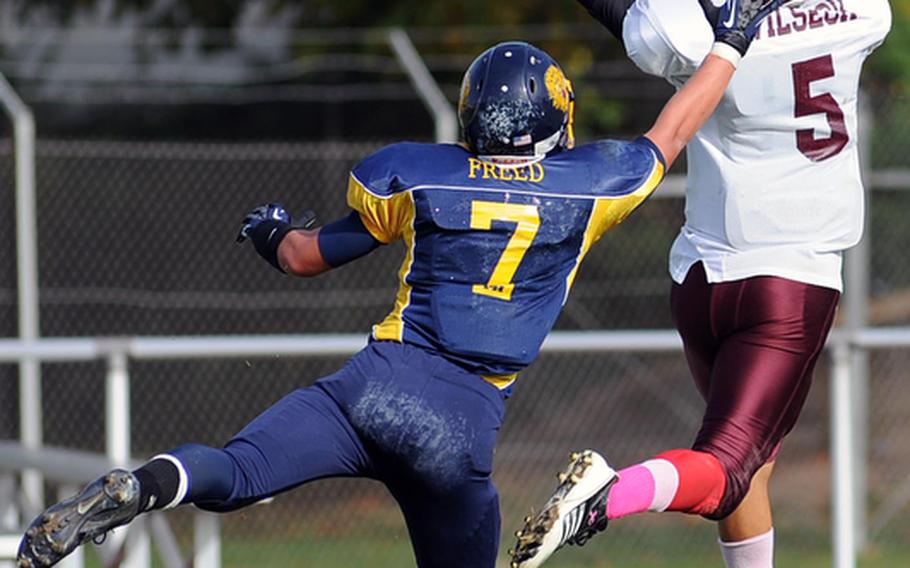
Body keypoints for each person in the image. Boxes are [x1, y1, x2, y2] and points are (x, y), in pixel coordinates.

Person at [17, 3, 772, 564]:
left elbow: (306, 256)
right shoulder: (589, 188)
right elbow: (672, 129)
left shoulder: (422, 176)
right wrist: (732, 42)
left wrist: (267, 228)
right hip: (461, 425)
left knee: (239, 470)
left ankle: (144, 486)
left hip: (370, 388)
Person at [509, 0, 892, 567]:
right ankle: (607, 496)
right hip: (791, 281)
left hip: (701, 279)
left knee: (753, 466)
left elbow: (635, 23)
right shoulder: (865, 11)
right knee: (727, 469)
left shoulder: (692, 25)